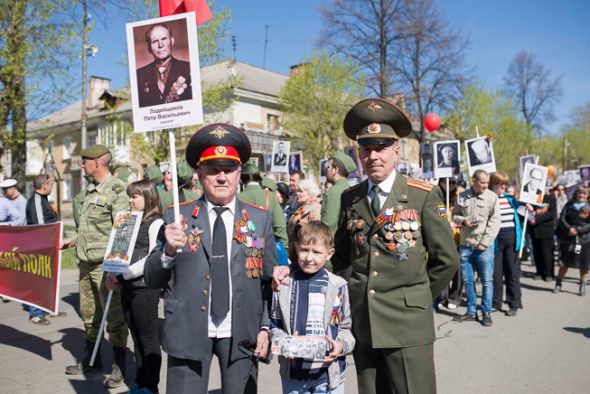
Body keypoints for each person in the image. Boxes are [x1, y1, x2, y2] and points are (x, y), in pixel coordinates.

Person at [275, 98, 459, 394]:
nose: (373, 156)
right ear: (359, 153)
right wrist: (296, 273)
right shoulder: (352, 198)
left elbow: (446, 260)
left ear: (396, 151)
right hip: (364, 323)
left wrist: (417, 298)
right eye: (366, 148)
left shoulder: (422, 195)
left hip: (407, 324)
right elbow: (340, 256)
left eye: (381, 148)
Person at [144, 123, 278, 393]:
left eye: (228, 170)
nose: (221, 177)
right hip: (188, 331)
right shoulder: (176, 217)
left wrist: (266, 326)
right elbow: (151, 278)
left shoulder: (258, 218)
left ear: (239, 173)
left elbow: (268, 281)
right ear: (199, 174)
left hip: (242, 333)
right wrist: (168, 251)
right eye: (213, 171)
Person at [62, 144, 129, 389]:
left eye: (85, 160)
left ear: (99, 162)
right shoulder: (91, 192)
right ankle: (92, 358)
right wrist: (70, 241)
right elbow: (88, 230)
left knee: (115, 318)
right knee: (89, 315)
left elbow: (122, 230)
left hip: (105, 266)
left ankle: (119, 365)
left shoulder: (117, 190)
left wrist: (115, 268)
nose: (82, 164)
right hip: (85, 264)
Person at [270, 222, 355, 394]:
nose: (309, 258)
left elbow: (346, 328)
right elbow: (274, 325)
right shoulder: (284, 285)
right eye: (304, 250)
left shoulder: (338, 286)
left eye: (316, 252)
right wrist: (286, 342)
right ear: (295, 248)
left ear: (329, 253)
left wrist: (340, 346)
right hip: (294, 377)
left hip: (329, 376)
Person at [106, 180, 164, 394]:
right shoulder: (129, 220)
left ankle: (151, 386)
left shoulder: (156, 223)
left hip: (144, 288)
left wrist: (126, 273)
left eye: (135, 196)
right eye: (129, 196)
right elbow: (119, 250)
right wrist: (112, 272)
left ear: (148, 198)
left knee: (148, 338)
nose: (130, 200)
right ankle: (140, 382)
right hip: (126, 286)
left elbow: (153, 256)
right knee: (136, 335)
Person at [452, 170, 500, 326]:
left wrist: (484, 242)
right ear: (474, 181)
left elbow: (495, 223)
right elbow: (454, 215)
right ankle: (471, 312)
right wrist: (462, 220)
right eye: (482, 182)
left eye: (487, 182)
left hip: (483, 247)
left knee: (486, 281)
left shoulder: (492, 197)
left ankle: (486, 311)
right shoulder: (462, 196)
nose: (486, 185)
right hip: (466, 246)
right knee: (468, 281)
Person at [25, 174, 67, 324]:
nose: (52, 187)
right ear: (44, 185)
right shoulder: (36, 200)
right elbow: (40, 228)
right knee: (38, 281)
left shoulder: (43, 200)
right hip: (40, 249)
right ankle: (35, 314)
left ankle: (49, 309)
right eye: (50, 184)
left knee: (49, 281)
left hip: (49, 247)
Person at [489, 171, 524, 316]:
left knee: (512, 273)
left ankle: (514, 303)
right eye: (499, 183)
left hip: (512, 240)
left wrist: (528, 209)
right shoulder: (488, 199)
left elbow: (525, 216)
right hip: (495, 241)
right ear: (492, 184)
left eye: (504, 183)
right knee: (496, 274)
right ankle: (495, 303)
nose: (502, 186)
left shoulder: (511, 199)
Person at [136, 23, 192, 107]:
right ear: (149, 48)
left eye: (164, 39)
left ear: (172, 41)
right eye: (155, 41)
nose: (160, 45)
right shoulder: (138, 76)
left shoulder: (189, 69)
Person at [238, 161, 289, 248]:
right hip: (266, 250)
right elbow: (279, 226)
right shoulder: (270, 196)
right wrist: (284, 249)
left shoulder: (236, 198)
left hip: (242, 248)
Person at [554, 187, 590, 296]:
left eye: (584, 194)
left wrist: (578, 230)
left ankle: (582, 284)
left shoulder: (589, 206)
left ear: (587, 195)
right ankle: (558, 283)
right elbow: (562, 218)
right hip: (568, 239)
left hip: (584, 240)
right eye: (580, 193)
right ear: (576, 194)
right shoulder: (569, 204)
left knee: (583, 264)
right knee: (564, 262)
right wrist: (569, 229)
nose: (582, 196)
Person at [435, 177, 462, 310]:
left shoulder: (459, 197)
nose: (450, 185)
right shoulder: (435, 196)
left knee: (458, 269)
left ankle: (455, 297)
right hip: (441, 239)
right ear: (440, 182)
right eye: (447, 182)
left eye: (453, 183)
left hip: (457, 238)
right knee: (443, 268)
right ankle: (442, 297)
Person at [321, 152, 357, 232]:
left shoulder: (332, 192)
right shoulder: (351, 189)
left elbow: (329, 224)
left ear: (335, 170)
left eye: (328, 167)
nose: (326, 170)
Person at [287, 179, 322, 262]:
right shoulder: (302, 207)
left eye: (301, 191)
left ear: (310, 193)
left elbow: (315, 234)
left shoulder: (315, 209)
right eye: (298, 190)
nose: (297, 193)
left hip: (305, 256)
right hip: (295, 254)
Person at [529, 186, 557, 281]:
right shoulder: (531, 199)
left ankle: (549, 273)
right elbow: (528, 212)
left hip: (546, 230)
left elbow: (551, 214)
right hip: (534, 230)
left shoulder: (551, 199)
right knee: (537, 253)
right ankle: (539, 272)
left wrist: (536, 220)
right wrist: (530, 219)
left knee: (547, 253)